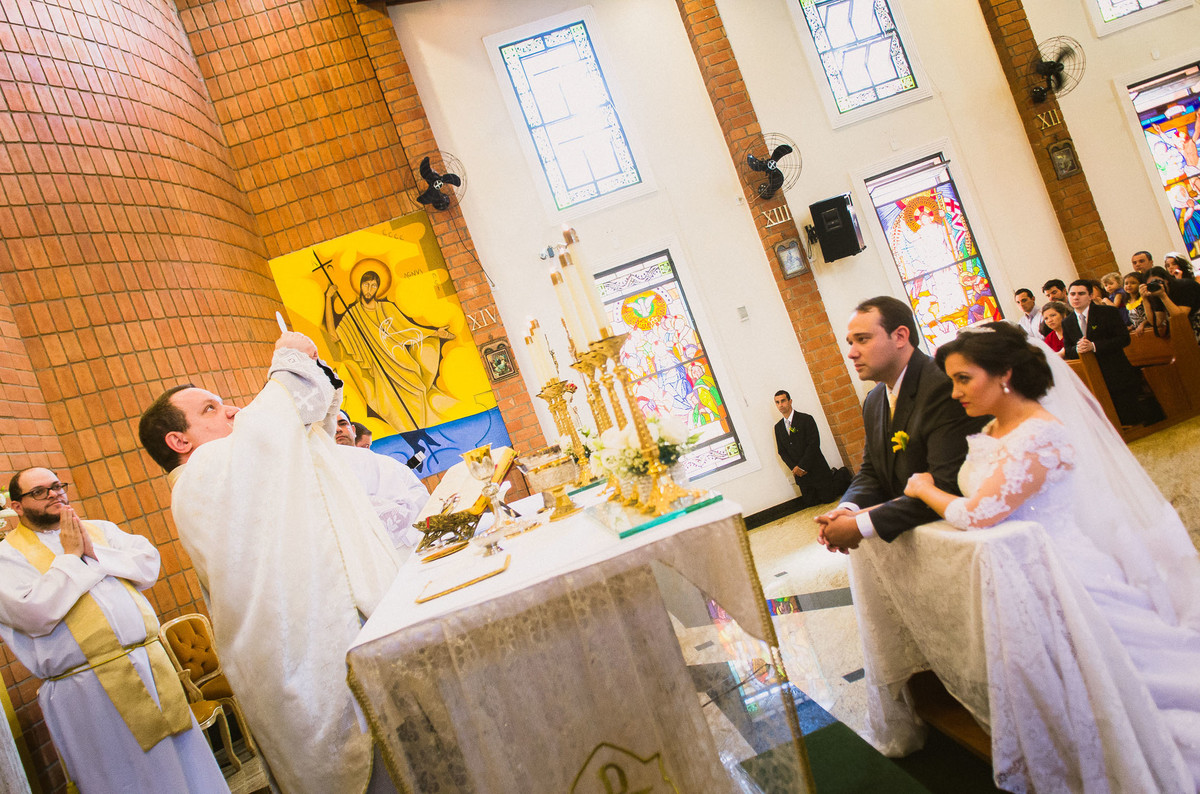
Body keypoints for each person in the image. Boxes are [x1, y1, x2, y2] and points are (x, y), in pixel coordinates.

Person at [902, 322, 1200, 791]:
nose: (955, 391)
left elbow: (982, 513)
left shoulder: (1039, 434)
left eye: (963, 378)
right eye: (952, 379)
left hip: (1069, 572)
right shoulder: (995, 428)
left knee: (1121, 679)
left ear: (1005, 373)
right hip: (1024, 571)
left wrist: (925, 489)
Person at [138, 332, 401, 794]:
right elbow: (271, 424)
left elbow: (306, 433)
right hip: (301, 656)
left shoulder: (242, 468)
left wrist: (313, 374)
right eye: (211, 410)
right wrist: (291, 358)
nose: (234, 410)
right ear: (178, 440)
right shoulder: (201, 475)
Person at [0, 469, 229, 793]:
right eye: (39, 492)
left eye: (57, 486)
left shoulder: (99, 531)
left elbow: (148, 564)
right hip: (88, 689)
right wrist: (71, 557)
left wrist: (93, 555)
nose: (53, 494)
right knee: (126, 779)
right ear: (18, 507)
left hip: (150, 666)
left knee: (188, 765)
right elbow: (36, 612)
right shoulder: (6, 557)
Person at [816, 297, 986, 552]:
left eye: (862, 339)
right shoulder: (874, 401)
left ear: (900, 336)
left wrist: (860, 525)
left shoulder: (944, 386)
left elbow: (947, 483)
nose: (851, 352)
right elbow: (872, 470)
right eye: (850, 343)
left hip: (958, 538)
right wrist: (846, 510)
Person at [323, 262, 455, 431]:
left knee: (418, 391)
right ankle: (415, 437)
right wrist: (328, 297)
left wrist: (435, 333)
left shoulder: (387, 308)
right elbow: (334, 336)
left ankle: (422, 431)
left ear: (378, 288)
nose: (369, 289)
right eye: (366, 285)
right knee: (390, 408)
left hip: (404, 365)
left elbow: (408, 329)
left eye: (373, 285)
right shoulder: (353, 316)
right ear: (360, 286)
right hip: (381, 372)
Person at [1062, 279, 1154, 426]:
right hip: (1092, 375)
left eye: (1081, 294)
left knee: (1131, 416)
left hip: (1116, 370)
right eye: (1072, 294)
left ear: (1090, 296)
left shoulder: (1108, 312)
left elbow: (1123, 339)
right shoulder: (1067, 322)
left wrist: (1094, 346)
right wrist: (1077, 349)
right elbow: (1068, 349)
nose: (1076, 297)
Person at [773, 390, 838, 508]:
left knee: (829, 500)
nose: (780, 405)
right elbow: (782, 451)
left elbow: (813, 444)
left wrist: (802, 466)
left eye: (783, 401)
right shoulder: (778, 428)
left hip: (817, 471)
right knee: (811, 505)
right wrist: (795, 468)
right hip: (802, 478)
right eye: (777, 402)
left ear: (790, 401)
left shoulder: (806, 419)